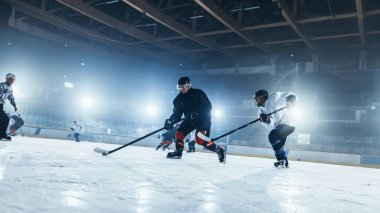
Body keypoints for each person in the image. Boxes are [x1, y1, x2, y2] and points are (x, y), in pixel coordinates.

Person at [164, 76, 225, 163]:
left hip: (203, 120)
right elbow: (177, 114)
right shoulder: (178, 99)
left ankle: (219, 150)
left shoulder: (198, 93)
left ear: (188, 85)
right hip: (190, 120)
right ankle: (178, 152)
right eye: (179, 87)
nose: (181, 89)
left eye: (183, 86)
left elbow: (208, 106)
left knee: (200, 140)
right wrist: (170, 121)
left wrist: (198, 113)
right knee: (179, 133)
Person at [254, 89, 297, 168]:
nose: (256, 101)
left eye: (257, 99)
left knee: (273, 136)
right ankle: (283, 160)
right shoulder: (260, 112)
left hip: (288, 123)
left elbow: (291, 95)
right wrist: (267, 120)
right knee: (278, 144)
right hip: (279, 127)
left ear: (263, 97)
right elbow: (271, 125)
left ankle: (282, 158)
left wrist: (290, 101)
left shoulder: (274, 97)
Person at [0, 73, 17, 141]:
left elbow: (11, 98)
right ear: (7, 79)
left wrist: (14, 106)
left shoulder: (10, 88)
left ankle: (1, 134)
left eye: (13, 80)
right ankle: (3, 134)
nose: (12, 81)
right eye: (11, 79)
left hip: (1, 105)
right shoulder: (1, 85)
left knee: (4, 119)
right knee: (6, 119)